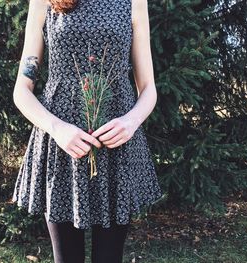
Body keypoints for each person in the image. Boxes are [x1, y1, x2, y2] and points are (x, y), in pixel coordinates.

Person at [11, 0, 162, 262]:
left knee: (109, 258)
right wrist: (57, 129)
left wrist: (131, 121)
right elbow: (22, 90)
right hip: (61, 150)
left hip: (117, 148)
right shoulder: (44, 1)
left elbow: (148, 86)